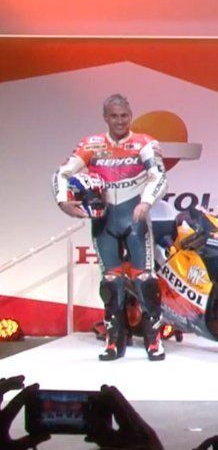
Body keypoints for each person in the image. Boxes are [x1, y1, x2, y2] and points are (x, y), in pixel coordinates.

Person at [53, 94, 168, 361]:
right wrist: (63, 202)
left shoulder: (145, 143)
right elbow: (62, 173)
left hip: (135, 218)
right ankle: (114, 341)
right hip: (104, 221)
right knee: (111, 282)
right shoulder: (91, 144)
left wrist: (147, 202)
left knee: (145, 280)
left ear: (131, 115)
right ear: (105, 117)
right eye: (114, 116)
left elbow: (159, 176)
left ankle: (153, 341)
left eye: (124, 115)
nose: (120, 121)